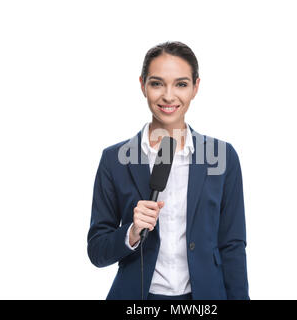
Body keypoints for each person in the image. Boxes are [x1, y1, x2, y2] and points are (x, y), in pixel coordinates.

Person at [87, 41, 249, 300]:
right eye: (157, 83)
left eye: (181, 84)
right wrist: (131, 232)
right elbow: (97, 250)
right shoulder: (114, 160)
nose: (169, 96)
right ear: (142, 85)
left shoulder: (223, 157)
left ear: (196, 87)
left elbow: (232, 245)